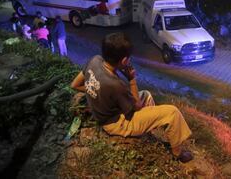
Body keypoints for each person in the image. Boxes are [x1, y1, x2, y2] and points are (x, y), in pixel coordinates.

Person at [70, 32, 193, 163]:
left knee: (146, 94)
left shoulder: (94, 61)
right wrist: (132, 79)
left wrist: (95, 91)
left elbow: (75, 85)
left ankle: (149, 129)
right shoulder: (115, 84)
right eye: (128, 58)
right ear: (124, 60)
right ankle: (177, 153)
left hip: (109, 111)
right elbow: (137, 105)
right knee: (172, 113)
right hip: (116, 123)